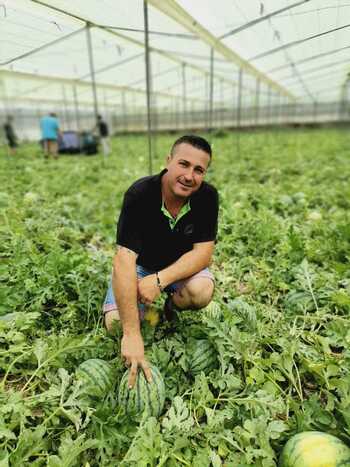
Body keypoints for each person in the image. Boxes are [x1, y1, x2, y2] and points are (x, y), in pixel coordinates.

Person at [103, 135, 219, 387]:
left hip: (177, 269)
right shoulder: (140, 194)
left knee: (201, 292)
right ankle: (145, 312)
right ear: (168, 161)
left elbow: (203, 253)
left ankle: (168, 307)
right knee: (115, 326)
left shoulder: (207, 197)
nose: (189, 176)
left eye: (199, 170)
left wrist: (159, 280)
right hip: (141, 266)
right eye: (183, 164)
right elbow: (124, 260)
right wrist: (131, 334)